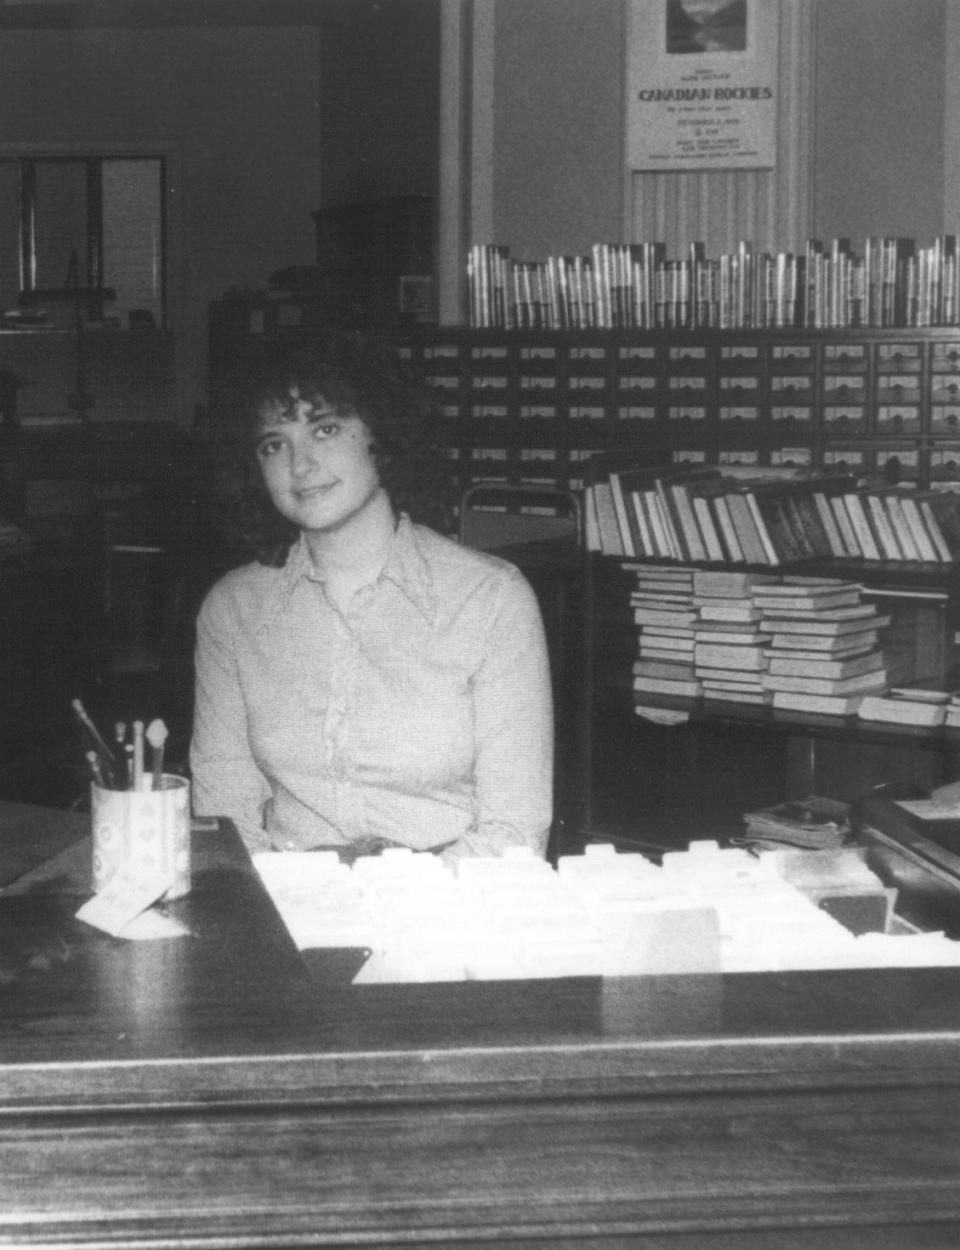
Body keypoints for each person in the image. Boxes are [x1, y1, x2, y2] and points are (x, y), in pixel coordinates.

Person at [190, 334, 554, 863]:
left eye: (326, 429)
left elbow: (514, 833)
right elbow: (225, 818)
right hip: (292, 907)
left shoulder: (490, 599)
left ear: (380, 437)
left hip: (451, 908)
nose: (301, 465)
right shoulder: (233, 610)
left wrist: (384, 898)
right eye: (274, 443)